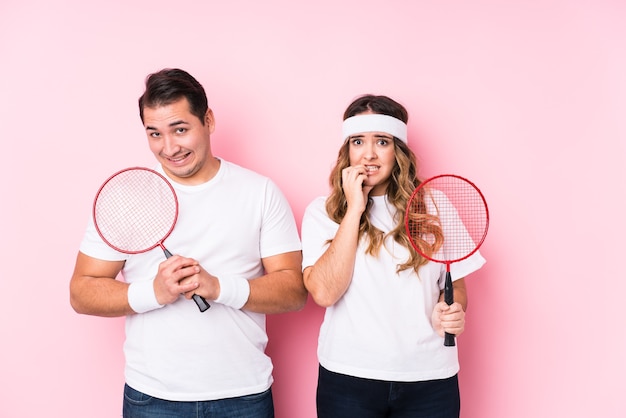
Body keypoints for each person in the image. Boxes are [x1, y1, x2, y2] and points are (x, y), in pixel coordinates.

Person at [70, 68, 307, 418]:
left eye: (180, 129)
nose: (169, 148)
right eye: (155, 134)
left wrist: (219, 287)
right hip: (152, 398)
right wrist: (154, 292)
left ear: (208, 120)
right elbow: (81, 292)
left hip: (243, 395)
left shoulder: (259, 192)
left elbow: (293, 291)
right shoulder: (128, 196)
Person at [301, 94, 486, 418]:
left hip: (429, 379)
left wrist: (451, 311)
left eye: (382, 142)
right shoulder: (322, 212)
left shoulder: (436, 206)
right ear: (347, 149)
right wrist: (355, 209)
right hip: (348, 377)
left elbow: (456, 288)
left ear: (397, 149)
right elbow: (324, 292)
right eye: (358, 141)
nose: (368, 154)